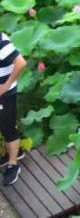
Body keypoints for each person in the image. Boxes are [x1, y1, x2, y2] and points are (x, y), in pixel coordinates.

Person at [0, 32, 27, 186]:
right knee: (2, 124)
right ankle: (17, 153)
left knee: (8, 126)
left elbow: (21, 63)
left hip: (5, 93)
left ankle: (13, 164)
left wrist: (6, 85)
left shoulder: (1, 42)